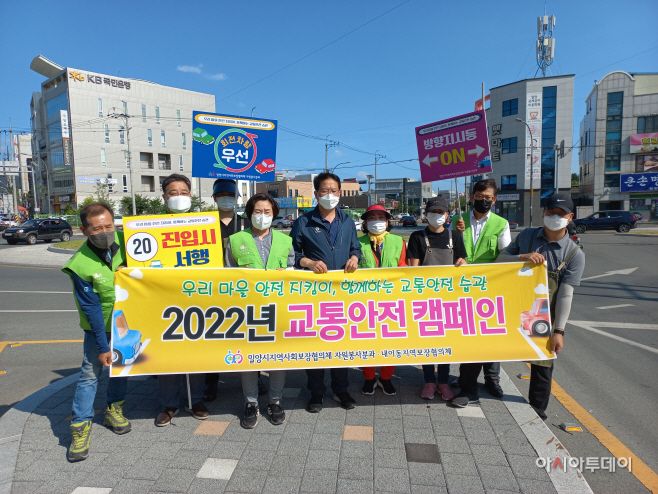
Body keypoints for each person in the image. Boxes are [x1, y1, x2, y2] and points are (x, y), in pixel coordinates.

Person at [496, 193, 585, 420]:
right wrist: (521, 257)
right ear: (544, 212)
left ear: (570, 216)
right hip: (513, 306)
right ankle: (478, 385)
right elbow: (499, 262)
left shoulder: (574, 253)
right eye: (551, 212)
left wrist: (559, 331)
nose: (554, 217)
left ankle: (537, 411)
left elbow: (566, 294)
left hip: (544, 315)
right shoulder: (527, 236)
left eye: (560, 214)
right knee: (491, 346)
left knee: (542, 362)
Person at [62, 202, 130, 462]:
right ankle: (80, 428)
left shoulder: (128, 243)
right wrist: (103, 347)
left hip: (125, 322)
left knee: (121, 366)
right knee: (90, 374)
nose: (105, 232)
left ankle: (114, 409)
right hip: (98, 328)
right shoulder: (80, 264)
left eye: (109, 226)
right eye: (97, 228)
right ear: (84, 230)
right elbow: (90, 309)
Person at [290, 172, 361, 413]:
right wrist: (308, 263)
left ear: (340, 193)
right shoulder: (303, 222)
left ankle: (342, 390)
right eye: (324, 191)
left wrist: (354, 257)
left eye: (333, 191)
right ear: (316, 193)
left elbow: (356, 247)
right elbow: (293, 256)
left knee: (341, 344)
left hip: (342, 295)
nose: (329, 195)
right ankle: (316, 393)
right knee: (315, 345)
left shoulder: (348, 221)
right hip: (314, 295)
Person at [225, 192, 295, 428]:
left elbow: (293, 271)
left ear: (274, 214)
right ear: (249, 214)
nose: (263, 216)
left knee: (278, 358)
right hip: (247, 310)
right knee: (249, 359)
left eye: (267, 212)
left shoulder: (286, 240)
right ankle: (251, 403)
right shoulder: (235, 240)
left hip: (278, 308)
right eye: (257, 211)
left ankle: (275, 401)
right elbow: (227, 275)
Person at [451, 179, 511, 406]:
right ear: (471, 196)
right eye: (480, 196)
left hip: (489, 287)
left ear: (494, 200)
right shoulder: (458, 221)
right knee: (468, 337)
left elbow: (505, 255)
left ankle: (491, 379)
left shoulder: (500, 223)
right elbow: (449, 250)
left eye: (488, 198)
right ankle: (468, 386)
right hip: (462, 287)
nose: (484, 201)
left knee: (490, 335)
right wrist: (454, 235)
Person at [156, 174, 210, 426]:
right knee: (168, 353)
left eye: (184, 192)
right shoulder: (151, 227)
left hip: (197, 299)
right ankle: (168, 405)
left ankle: (195, 399)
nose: (179, 197)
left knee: (196, 351)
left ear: (191, 195)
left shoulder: (204, 225)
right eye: (173, 193)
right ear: (164, 197)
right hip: (164, 302)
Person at [407, 196, 467, 402]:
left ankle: (443, 381)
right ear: (426, 215)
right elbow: (413, 270)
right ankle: (429, 381)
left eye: (441, 213)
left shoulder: (456, 237)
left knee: (445, 342)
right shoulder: (417, 236)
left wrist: (462, 262)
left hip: (449, 299)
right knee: (428, 342)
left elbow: (462, 261)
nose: (437, 216)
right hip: (425, 299)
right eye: (433, 212)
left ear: (447, 215)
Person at [204, 179, 257, 402]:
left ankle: (256, 379)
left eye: (231, 195)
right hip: (211, 289)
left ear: (237, 198)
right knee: (211, 337)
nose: (226, 199)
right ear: (214, 198)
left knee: (248, 335)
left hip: (243, 291)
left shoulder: (246, 223)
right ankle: (210, 383)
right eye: (221, 195)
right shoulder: (203, 224)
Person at [357, 204, 407, 396]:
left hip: (390, 302)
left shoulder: (398, 242)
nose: (376, 221)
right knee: (365, 342)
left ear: (387, 221)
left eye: (380, 217)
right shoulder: (356, 241)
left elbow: (403, 268)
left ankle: (386, 378)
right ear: (365, 222)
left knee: (390, 342)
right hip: (363, 302)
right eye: (372, 218)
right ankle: (369, 378)